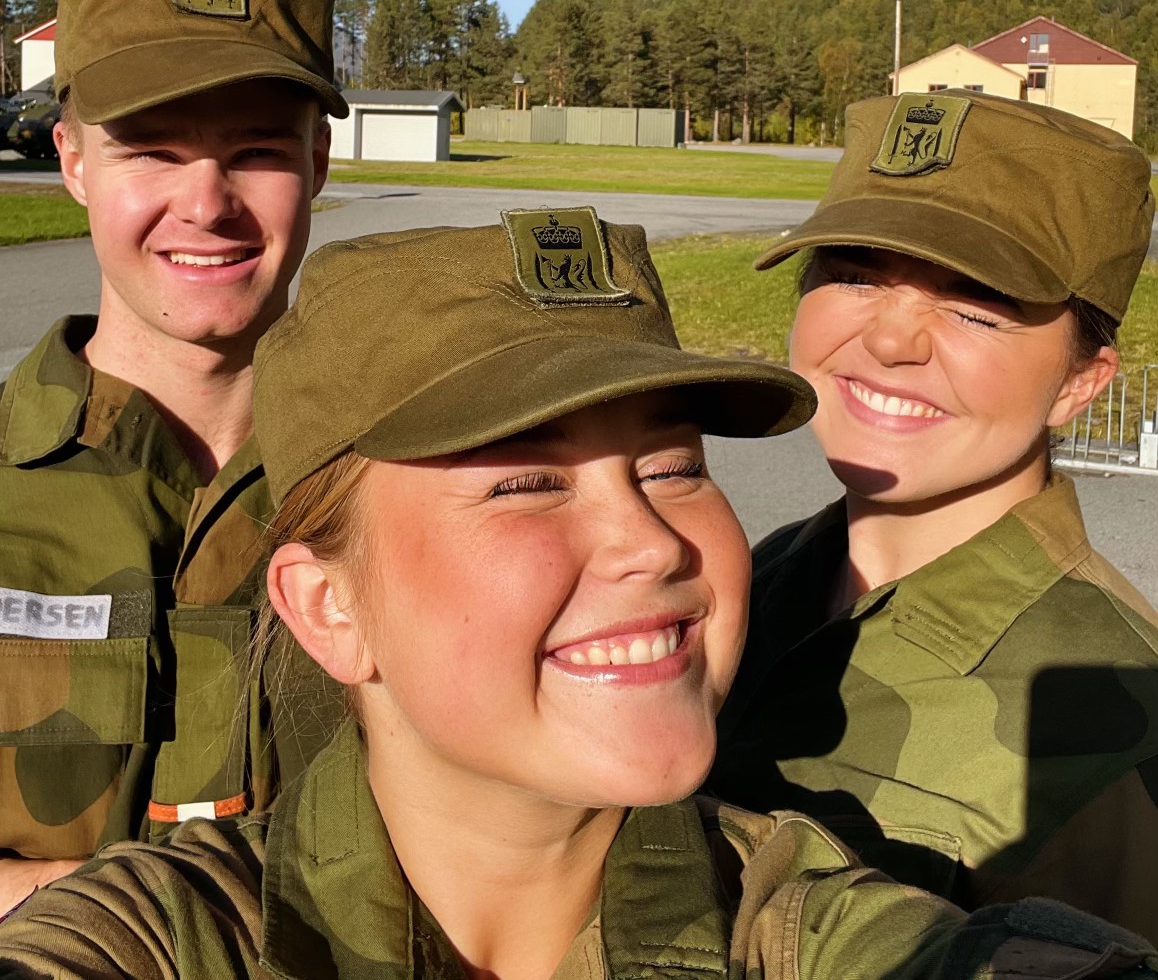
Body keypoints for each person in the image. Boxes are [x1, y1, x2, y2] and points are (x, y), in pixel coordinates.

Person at [1, 213, 1154, 980]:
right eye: (525, 479)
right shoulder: (159, 937)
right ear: (325, 608)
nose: (647, 541)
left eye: (672, 465)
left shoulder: (816, 928)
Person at [711, 90, 1158, 935]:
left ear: (1079, 383)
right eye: (853, 275)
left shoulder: (1111, 738)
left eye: (973, 307)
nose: (890, 340)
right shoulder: (756, 578)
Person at [0, 0, 348, 911]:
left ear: (317, 162)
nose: (206, 203)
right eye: (151, 146)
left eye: (257, 149)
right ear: (71, 160)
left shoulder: (400, 479)